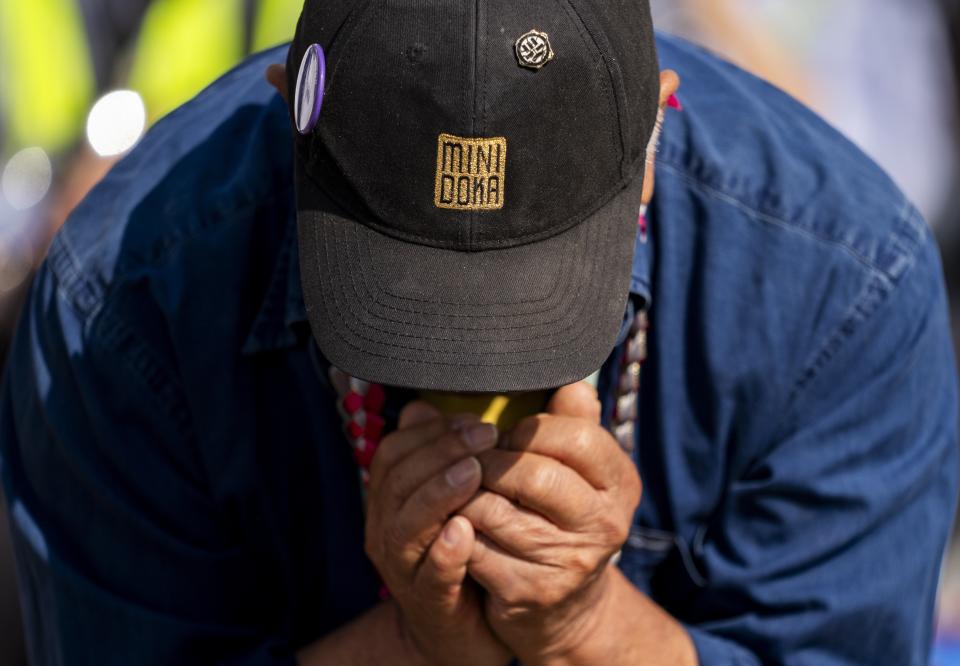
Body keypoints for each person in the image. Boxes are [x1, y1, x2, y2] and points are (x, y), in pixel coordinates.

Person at [1, 0, 957, 664]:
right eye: (402, 294)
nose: (469, 377)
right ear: (290, 114)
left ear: (655, 136)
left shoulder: (844, 290)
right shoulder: (120, 311)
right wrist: (417, 648)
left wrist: (584, 632)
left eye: (534, 293)